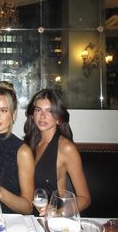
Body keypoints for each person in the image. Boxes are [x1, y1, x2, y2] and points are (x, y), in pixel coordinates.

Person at [24, 88, 91, 216]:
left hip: (54, 220)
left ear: (59, 118)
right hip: (29, 216)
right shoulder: (29, 144)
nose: (42, 116)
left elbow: (85, 198)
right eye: (38, 110)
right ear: (33, 114)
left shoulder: (66, 148)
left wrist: (57, 212)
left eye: (50, 111)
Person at [0, 81, 35, 214]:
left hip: (9, 221)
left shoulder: (22, 151)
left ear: (13, 115)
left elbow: (28, 207)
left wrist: (0, 192)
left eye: (4, 110)